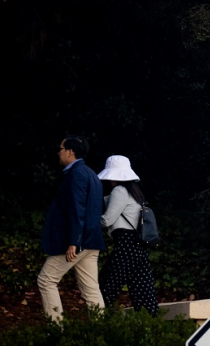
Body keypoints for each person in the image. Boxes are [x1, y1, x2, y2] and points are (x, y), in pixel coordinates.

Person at [37, 136, 107, 321]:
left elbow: (78, 209)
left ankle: (56, 330)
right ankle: (103, 330)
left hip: (78, 242)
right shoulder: (91, 174)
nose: (58, 152)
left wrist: (74, 242)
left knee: (46, 280)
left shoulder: (77, 174)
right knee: (91, 290)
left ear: (70, 152)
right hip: (92, 240)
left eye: (61, 148)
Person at [98, 155, 159, 315]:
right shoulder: (135, 192)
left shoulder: (119, 191)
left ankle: (102, 321)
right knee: (144, 293)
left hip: (125, 246)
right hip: (138, 247)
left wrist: (86, 222)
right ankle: (150, 325)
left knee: (105, 286)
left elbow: (107, 220)